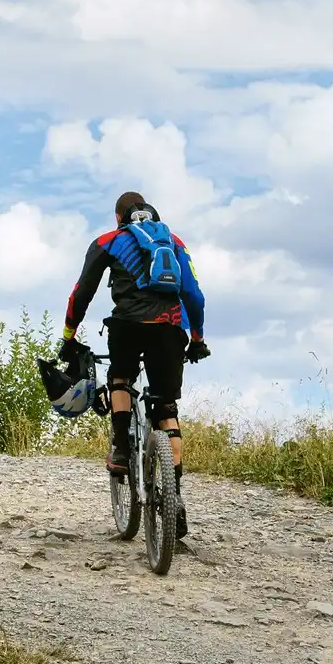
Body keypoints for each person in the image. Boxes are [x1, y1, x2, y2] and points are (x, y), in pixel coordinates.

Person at [60, 191, 209, 538]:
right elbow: (195, 296)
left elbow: (80, 294)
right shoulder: (174, 242)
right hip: (170, 330)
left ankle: (122, 450)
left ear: (119, 216)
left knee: (121, 379)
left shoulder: (109, 241)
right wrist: (198, 338)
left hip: (127, 326)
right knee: (166, 409)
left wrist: (69, 336)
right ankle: (175, 497)